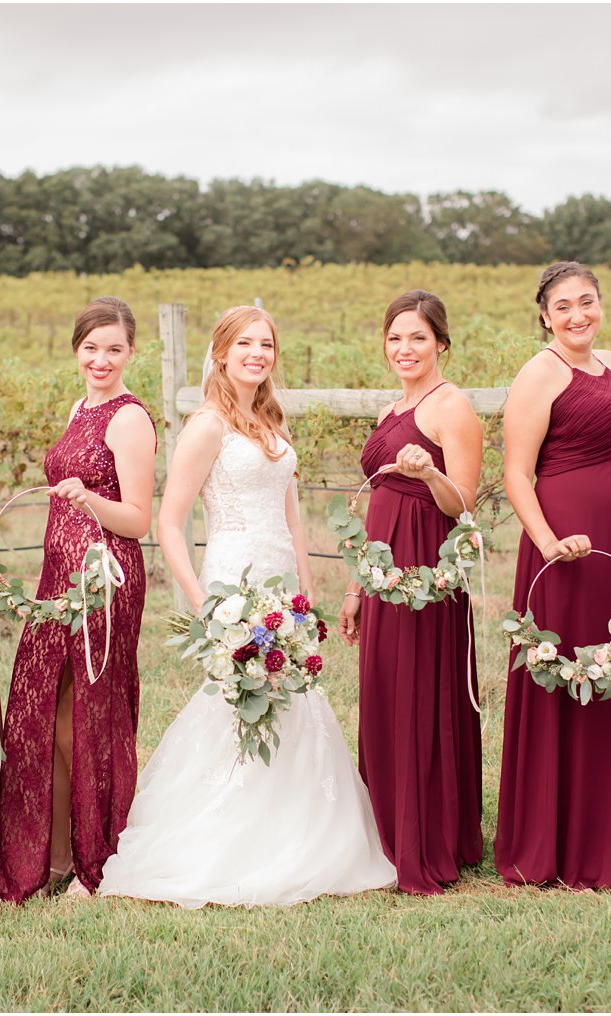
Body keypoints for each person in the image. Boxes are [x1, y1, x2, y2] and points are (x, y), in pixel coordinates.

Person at [99, 305, 396, 907]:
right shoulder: (206, 425)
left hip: (281, 577)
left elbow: (289, 513)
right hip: (232, 580)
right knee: (240, 700)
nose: (257, 354)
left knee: (293, 697)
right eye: (246, 344)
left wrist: (306, 589)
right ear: (222, 352)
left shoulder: (270, 420)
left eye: (267, 344)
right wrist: (205, 604)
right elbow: (170, 523)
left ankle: (301, 831)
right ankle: (226, 839)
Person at [495, 262, 611, 890]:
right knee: (573, 668)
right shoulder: (539, 373)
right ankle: (561, 834)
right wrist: (546, 544)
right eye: (563, 306)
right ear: (545, 315)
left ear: (601, 304)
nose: (577, 316)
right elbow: (518, 472)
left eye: (586, 302)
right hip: (567, 543)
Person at [0, 297, 155, 901]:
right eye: (91, 347)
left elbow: (136, 518)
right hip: (57, 583)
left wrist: (88, 500)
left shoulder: (129, 418)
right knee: (46, 718)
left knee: (86, 720)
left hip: (103, 582)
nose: (100, 359)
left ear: (131, 353)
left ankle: (93, 859)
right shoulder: (80, 406)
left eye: (113, 349)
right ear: (75, 350)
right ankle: (50, 855)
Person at [337, 290, 483, 894]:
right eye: (395, 338)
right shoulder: (388, 412)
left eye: (417, 338)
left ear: (441, 344)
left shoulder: (453, 407)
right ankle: (387, 829)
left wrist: (431, 474)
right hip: (380, 570)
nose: (405, 349)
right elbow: (374, 504)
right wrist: (352, 588)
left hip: (426, 571)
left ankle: (429, 836)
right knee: (385, 695)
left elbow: (465, 506)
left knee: (421, 695)